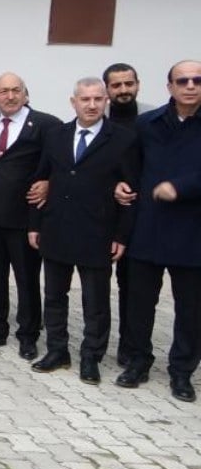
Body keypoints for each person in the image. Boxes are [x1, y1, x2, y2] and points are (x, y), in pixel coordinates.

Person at [29, 77, 136, 385]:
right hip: (57, 228)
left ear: (106, 102)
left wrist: (121, 236)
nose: (91, 105)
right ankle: (57, 350)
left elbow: (131, 193)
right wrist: (35, 225)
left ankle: (91, 356)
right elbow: (40, 182)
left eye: (97, 99)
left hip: (98, 233)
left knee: (96, 301)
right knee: (54, 297)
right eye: (85, 99)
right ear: (73, 102)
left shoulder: (123, 139)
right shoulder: (56, 135)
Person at [114, 60, 201, 401]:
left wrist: (181, 187)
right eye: (183, 81)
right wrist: (120, 185)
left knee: (191, 309)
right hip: (148, 227)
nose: (190, 86)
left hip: (193, 232)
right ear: (170, 87)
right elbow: (128, 166)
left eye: (197, 80)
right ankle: (137, 361)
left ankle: (182, 371)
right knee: (138, 304)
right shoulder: (146, 124)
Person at [0, 72, 60, 360]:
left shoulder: (46, 124)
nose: (9, 96)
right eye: (3, 91)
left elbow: (63, 162)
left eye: (15, 91)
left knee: (26, 279)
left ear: (25, 94)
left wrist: (51, 183)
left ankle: (28, 335)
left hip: (24, 219)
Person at [102, 62, 152, 367]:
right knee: (97, 285)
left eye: (128, 84)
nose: (123, 90)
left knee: (133, 287)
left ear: (137, 84)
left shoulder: (152, 120)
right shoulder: (96, 119)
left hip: (142, 217)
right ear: (107, 89)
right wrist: (112, 186)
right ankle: (97, 343)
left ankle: (131, 348)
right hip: (103, 216)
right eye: (116, 85)